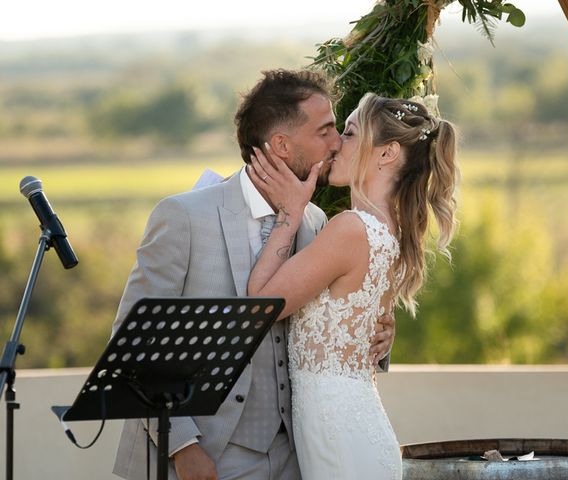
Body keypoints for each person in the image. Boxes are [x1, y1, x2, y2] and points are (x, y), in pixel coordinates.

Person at [111, 70, 395, 480]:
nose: (337, 143)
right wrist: (183, 448)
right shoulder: (185, 216)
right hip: (204, 455)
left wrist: (381, 335)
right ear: (281, 145)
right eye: (325, 131)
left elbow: (335, 316)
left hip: (297, 456)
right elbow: (134, 340)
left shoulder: (315, 221)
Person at [246, 92, 459, 479]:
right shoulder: (391, 233)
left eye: (349, 132)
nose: (335, 144)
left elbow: (261, 303)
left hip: (337, 435)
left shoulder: (350, 228)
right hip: (347, 426)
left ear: (387, 153)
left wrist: (291, 212)